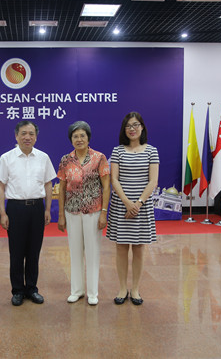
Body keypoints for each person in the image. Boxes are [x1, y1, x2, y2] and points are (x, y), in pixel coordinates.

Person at [0, 120, 57, 306]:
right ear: (16, 136)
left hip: (37, 208)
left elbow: (48, 184)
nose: (27, 137)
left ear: (36, 137)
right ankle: (17, 291)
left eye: (31, 133)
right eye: (23, 133)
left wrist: (47, 209)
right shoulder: (7, 158)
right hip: (15, 208)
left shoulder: (43, 157)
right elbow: (0, 186)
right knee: (16, 253)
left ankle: (32, 288)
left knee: (33, 252)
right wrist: (3, 213)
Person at [106, 112, 159, 306]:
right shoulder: (118, 151)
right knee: (121, 248)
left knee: (138, 248)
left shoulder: (151, 151)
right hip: (121, 205)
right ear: (124, 129)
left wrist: (138, 203)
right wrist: (128, 202)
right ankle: (122, 288)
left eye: (136, 125)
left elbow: (153, 180)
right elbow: (114, 179)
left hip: (142, 207)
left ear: (142, 127)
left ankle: (135, 289)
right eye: (129, 126)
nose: (132, 128)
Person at [57, 121, 110, 306]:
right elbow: (62, 188)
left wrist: (104, 213)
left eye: (82, 136)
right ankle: (77, 290)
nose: (79, 139)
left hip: (93, 212)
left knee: (93, 252)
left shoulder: (99, 158)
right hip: (72, 212)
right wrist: (61, 215)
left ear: (88, 138)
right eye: (75, 136)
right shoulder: (66, 160)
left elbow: (106, 187)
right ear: (71, 139)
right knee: (75, 251)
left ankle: (93, 293)